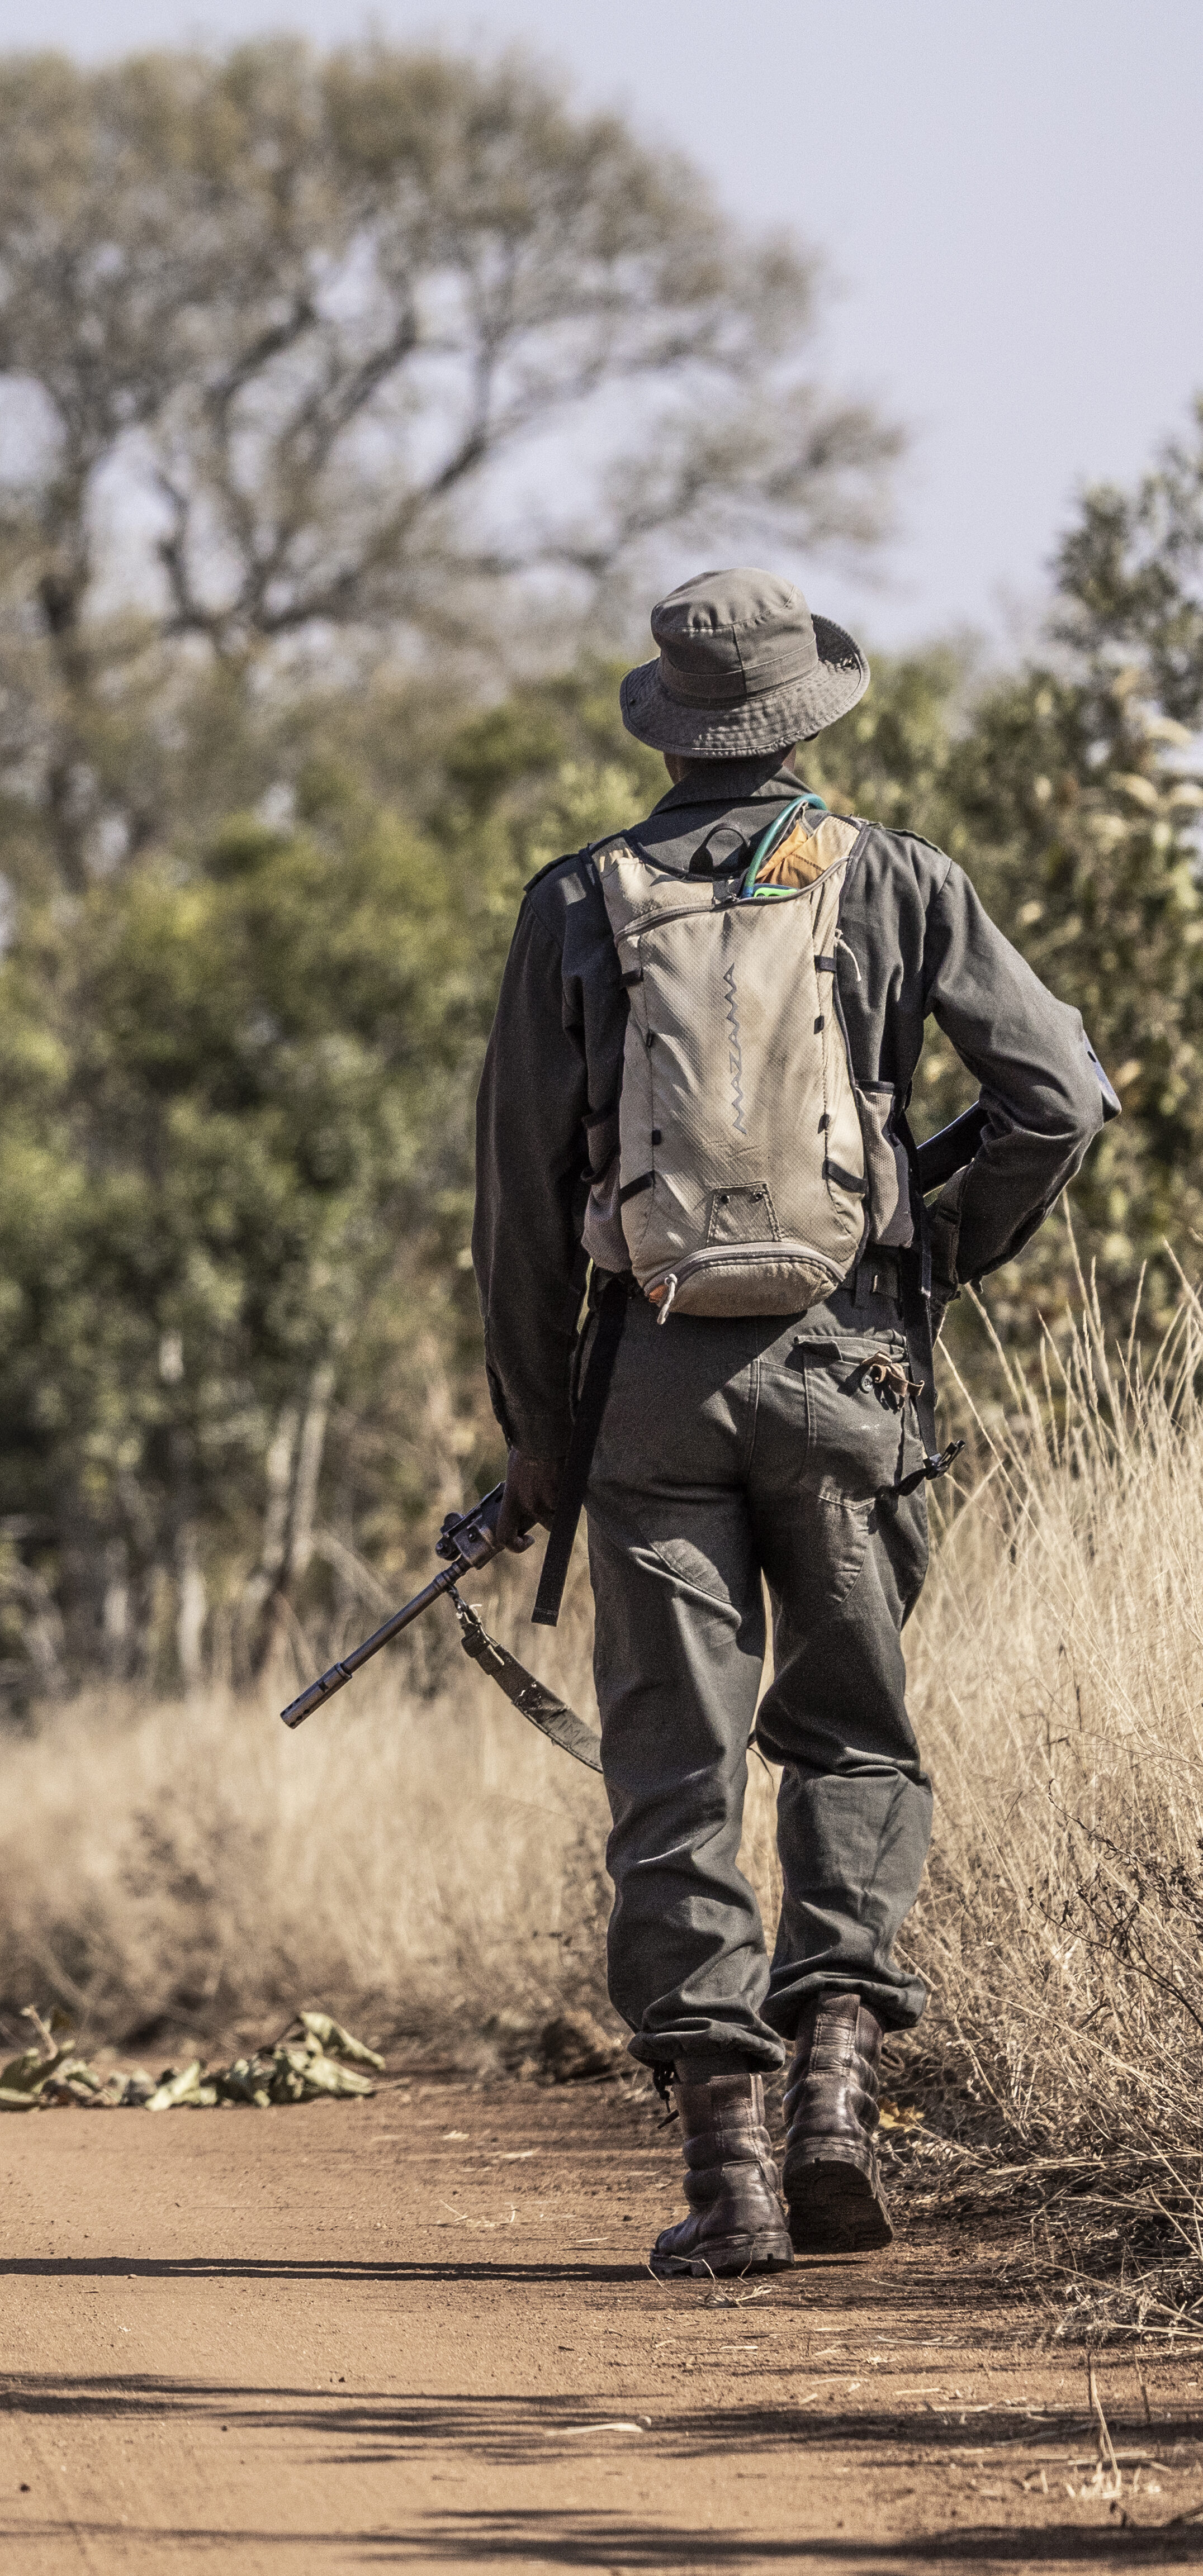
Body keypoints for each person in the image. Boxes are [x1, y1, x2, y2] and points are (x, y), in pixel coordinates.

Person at [475, 567, 1108, 2279]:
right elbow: (1063, 1095)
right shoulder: (895, 878)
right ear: (807, 714)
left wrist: (538, 1435)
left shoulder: (574, 904)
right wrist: (930, 1249)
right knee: (853, 1737)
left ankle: (731, 2169)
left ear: (671, 725)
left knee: (675, 1763)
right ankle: (837, 2094)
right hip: (854, 1373)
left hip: (648, 1394)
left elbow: (523, 1216)